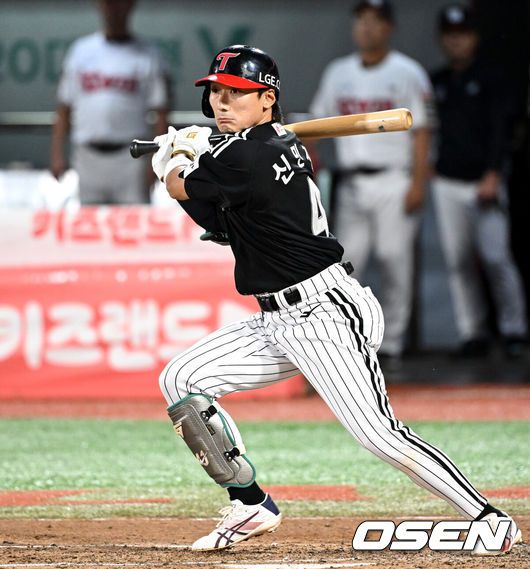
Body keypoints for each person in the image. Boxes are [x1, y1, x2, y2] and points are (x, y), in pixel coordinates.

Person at [148, 44, 522, 555]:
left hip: (325, 313)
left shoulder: (248, 154)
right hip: (277, 319)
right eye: (216, 92)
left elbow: (180, 187)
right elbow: (219, 220)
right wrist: (197, 158)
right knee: (181, 379)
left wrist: (175, 158)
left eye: (237, 92)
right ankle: (250, 502)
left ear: (267, 99)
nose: (221, 102)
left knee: (378, 435)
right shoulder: (261, 149)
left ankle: (488, 517)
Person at [310, 0, 432, 366]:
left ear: (389, 27)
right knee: (346, 263)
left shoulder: (407, 72)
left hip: (394, 179)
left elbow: (423, 131)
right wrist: (309, 167)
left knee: (395, 259)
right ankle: (350, 339)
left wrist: (418, 183)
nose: (366, 27)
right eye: (361, 19)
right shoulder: (338, 72)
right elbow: (315, 123)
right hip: (351, 182)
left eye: (375, 20)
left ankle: (392, 343)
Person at [431, 3, 528, 358]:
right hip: (447, 181)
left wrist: (493, 172)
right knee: (458, 262)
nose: (456, 41)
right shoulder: (437, 81)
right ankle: (472, 333)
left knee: (496, 257)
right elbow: (430, 130)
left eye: (462, 34)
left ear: (474, 37)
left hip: (484, 180)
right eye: (450, 35)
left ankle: (514, 330)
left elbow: (502, 130)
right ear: (442, 39)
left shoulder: (492, 78)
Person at [50, 0, 169, 205]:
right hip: (87, 155)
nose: (114, 9)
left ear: (130, 6)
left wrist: (157, 159)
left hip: (131, 157)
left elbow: (161, 112)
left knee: (134, 221)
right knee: (88, 221)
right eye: (109, 3)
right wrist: (56, 154)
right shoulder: (80, 51)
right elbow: (64, 108)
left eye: (119, 3)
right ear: (100, 6)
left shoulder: (149, 54)